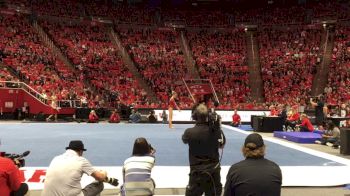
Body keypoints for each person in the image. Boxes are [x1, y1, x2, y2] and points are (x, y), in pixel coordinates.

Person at [42, 140, 118, 196]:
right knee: (99, 185)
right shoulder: (81, 160)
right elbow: (100, 177)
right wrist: (107, 177)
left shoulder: (56, 158)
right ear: (81, 151)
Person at [182, 104, 226, 196]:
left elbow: (184, 140)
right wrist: (218, 127)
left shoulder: (189, 132)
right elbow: (222, 145)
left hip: (196, 174)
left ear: (194, 117)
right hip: (213, 173)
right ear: (208, 116)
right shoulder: (216, 131)